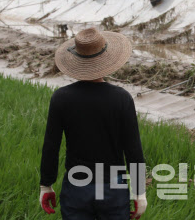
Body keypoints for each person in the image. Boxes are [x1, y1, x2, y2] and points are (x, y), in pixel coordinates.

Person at [39, 27, 148, 219]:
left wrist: (46, 185)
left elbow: (51, 146)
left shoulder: (61, 98)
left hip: (76, 188)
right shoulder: (121, 99)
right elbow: (133, 149)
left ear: (77, 60)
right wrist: (139, 192)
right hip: (112, 188)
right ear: (107, 57)